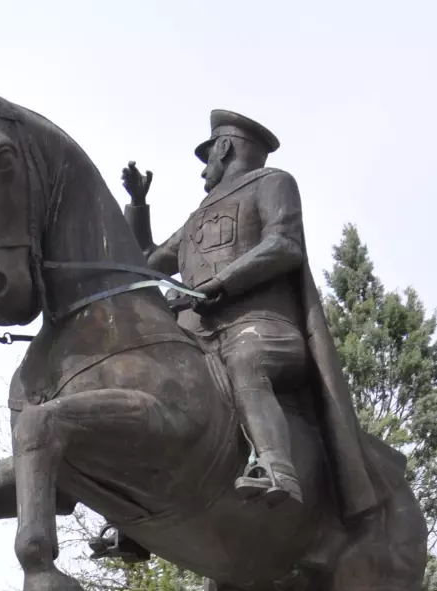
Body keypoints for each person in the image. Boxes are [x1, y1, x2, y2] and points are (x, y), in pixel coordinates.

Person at [121, 111, 376, 518]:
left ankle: (277, 468)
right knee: (145, 380)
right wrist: (138, 204)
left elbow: (284, 245)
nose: (205, 170)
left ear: (224, 147)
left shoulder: (272, 183)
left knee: (245, 358)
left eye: (208, 157)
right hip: (200, 338)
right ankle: (133, 511)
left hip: (262, 329)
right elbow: (147, 261)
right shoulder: (195, 219)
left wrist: (218, 285)